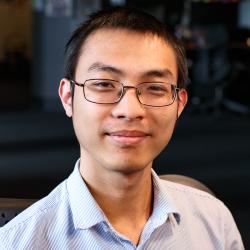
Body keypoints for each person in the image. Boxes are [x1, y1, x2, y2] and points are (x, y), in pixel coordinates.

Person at [0, 7, 244, 250]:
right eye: (104, 84)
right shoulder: (19, 242)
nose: (130, 110)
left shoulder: (214, 223)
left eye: (155, 88)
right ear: (67, 97)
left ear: (179, 104)